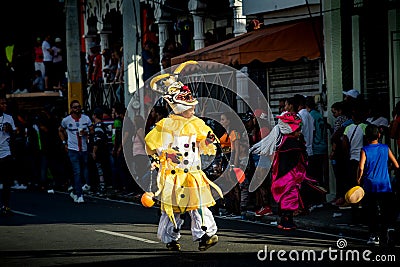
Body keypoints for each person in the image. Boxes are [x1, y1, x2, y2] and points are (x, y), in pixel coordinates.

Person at [144, 62, 223, 251]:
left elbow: (204, 143)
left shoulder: (197, 123)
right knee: (174, 211)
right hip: (173, 175)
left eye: (193, 105)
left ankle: (207, 235)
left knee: (199, 206)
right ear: (178, 107)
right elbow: (153, 146)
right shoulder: (166, 125)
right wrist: (165, 154)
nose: (193, 109)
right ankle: (171, 239)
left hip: (194, 174)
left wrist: (209, 141)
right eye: (189, 106)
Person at [251, 111, 306, 230]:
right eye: (298, 130)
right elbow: (298, 162)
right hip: (290, 176)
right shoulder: (293, 144)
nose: (300, 133)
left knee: (285, 198)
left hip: (280, 175)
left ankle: (284, 221)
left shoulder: (282, 141)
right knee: (289, 198)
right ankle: (286, 222)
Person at [357, 124, 399, 246]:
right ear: (379, 135)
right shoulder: (385, 148)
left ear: (366, 137)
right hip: (385, 185)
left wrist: (358, 179)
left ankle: (373, 235)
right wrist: (387, 168)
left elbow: (361, 167)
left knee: (371, 211)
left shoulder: (365, 150)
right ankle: (385, 233)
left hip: (370, 185)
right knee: (386, 211)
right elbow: (396, 165)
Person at [59, 100, 93, 203]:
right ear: (71, 109)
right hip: (73, 150)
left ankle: (76, 189)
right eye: (75, 107)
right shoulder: (66, 120)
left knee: (83, 171)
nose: (77, 109)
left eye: (78, 107)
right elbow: (60, 130)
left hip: (84, 149)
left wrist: (86, 132)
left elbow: (92, 130)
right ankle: (79, 194)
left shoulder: (86, 118)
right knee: (77, 171)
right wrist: (64, 142)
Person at [0, 94, 16, 215]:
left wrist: (10, 129)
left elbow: (15, 134)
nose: (4, 105)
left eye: (5, 103)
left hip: (6, 152)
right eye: (2, 103)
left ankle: (5, 205)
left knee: (6, 182)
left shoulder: (9, 118)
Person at [91, 107, 111, 196]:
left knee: (100, 168)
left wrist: (94, 151)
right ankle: (103, 185)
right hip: (105, 150)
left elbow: (97, 140)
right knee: (103, 168)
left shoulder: (98, 126)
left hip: (100, 150)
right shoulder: (103, 125)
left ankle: (102, 186)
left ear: (94, 116)